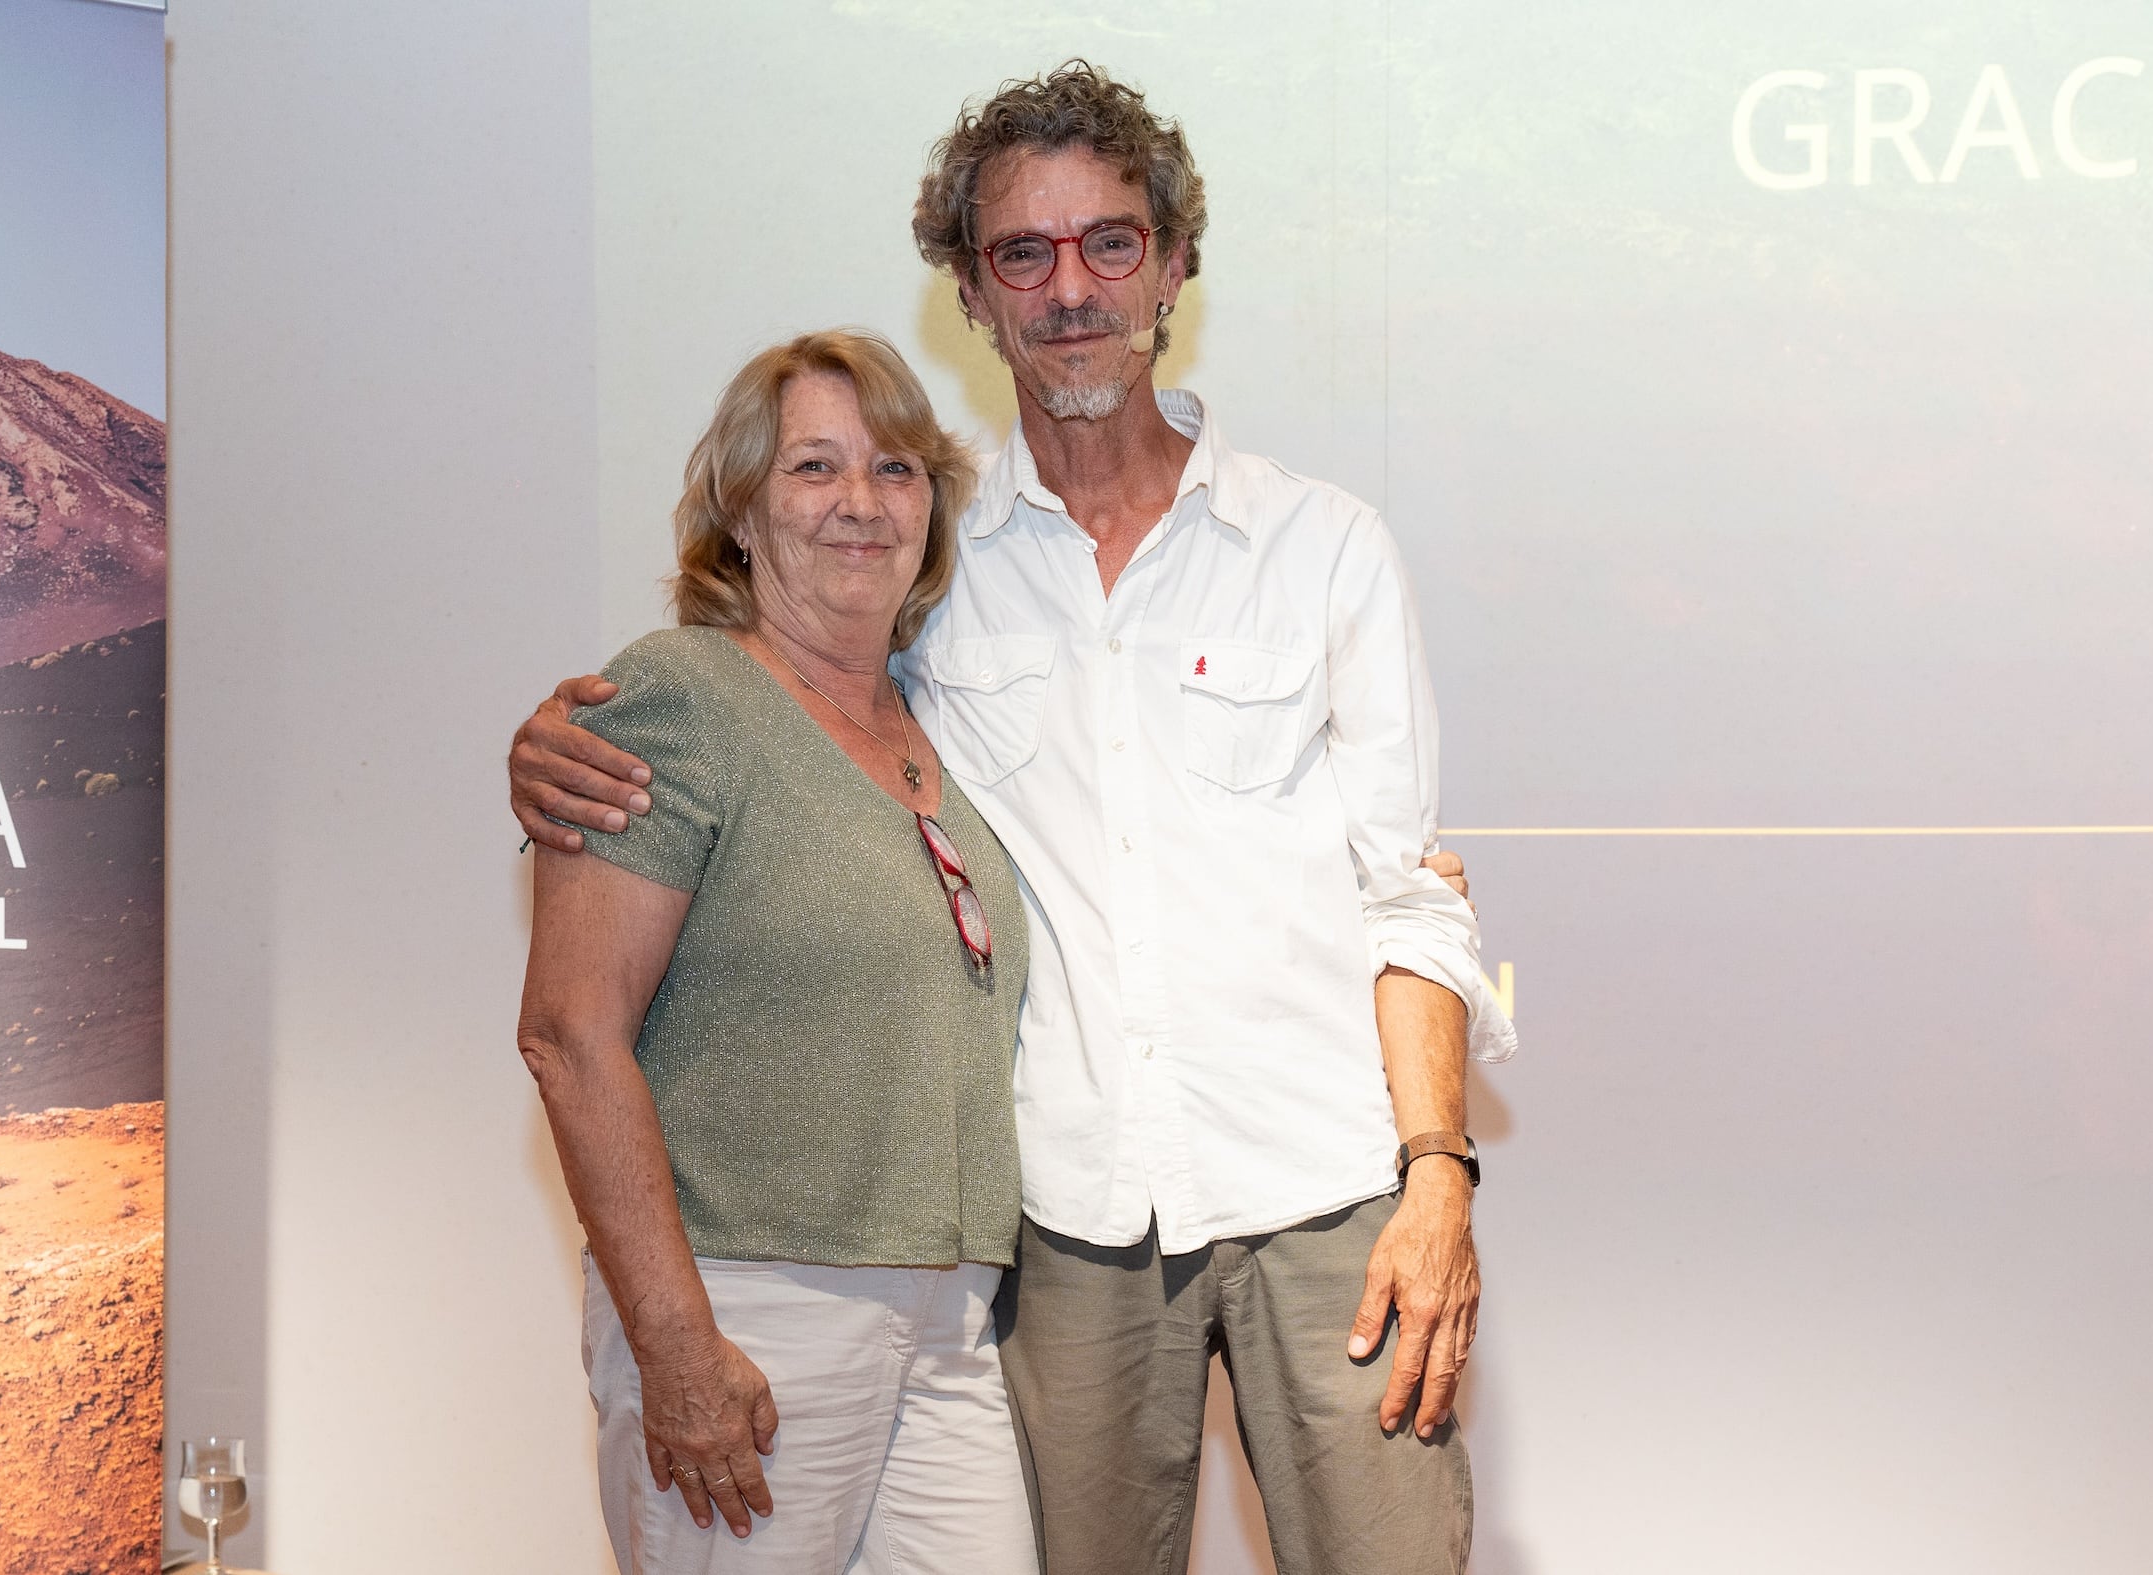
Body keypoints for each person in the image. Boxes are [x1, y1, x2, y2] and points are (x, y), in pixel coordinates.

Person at [512, 63, 1513, 1575]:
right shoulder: (924, 562)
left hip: (1331, 1195)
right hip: (1064, 1226)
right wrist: (550, 752)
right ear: (971, 295)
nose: (1069, 290)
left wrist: (1437, 1169)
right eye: (1020, 255)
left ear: (1175, 262)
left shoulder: (1323, 550)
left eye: (1109, 242)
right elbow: (767, 712)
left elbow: (1409, 890)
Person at [516, 328, 1040, 1573]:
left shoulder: (931, 727)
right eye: (813, 468)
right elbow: (569, 1035)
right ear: (741, 514)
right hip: (749, 1306)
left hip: (949, 1311)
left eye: (897, 469)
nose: (861, 502)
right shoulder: (681, 696)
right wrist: (676, 1344)